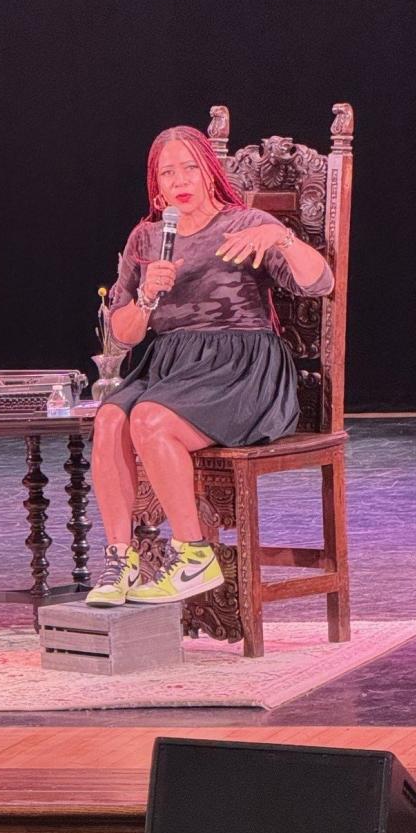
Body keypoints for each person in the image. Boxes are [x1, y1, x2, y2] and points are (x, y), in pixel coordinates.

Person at [85, 125, 333, 607]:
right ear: (156, 186)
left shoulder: (245, 224)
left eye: (190, 167)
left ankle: (194, 555)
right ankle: (121, 559)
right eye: (167, 172)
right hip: (169, 367)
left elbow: (318, 282)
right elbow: (125, 334)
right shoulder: (147, 237)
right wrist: (145, 296)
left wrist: (279, 235)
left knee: (151, 420)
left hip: (241, 363)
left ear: (209, 173)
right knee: (110, 417)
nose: (180, 179)